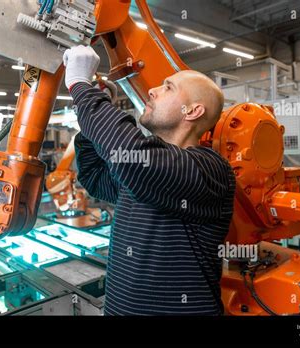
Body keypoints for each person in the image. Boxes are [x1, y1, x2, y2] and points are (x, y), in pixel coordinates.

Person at [63, 45, 236, 315]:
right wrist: (90, 118)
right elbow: (96, 176)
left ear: (192, 111)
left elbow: (134, 158)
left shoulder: (210, 171)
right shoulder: (146, 170)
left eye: (168, 87)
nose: (152, 90)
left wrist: (80, 87)